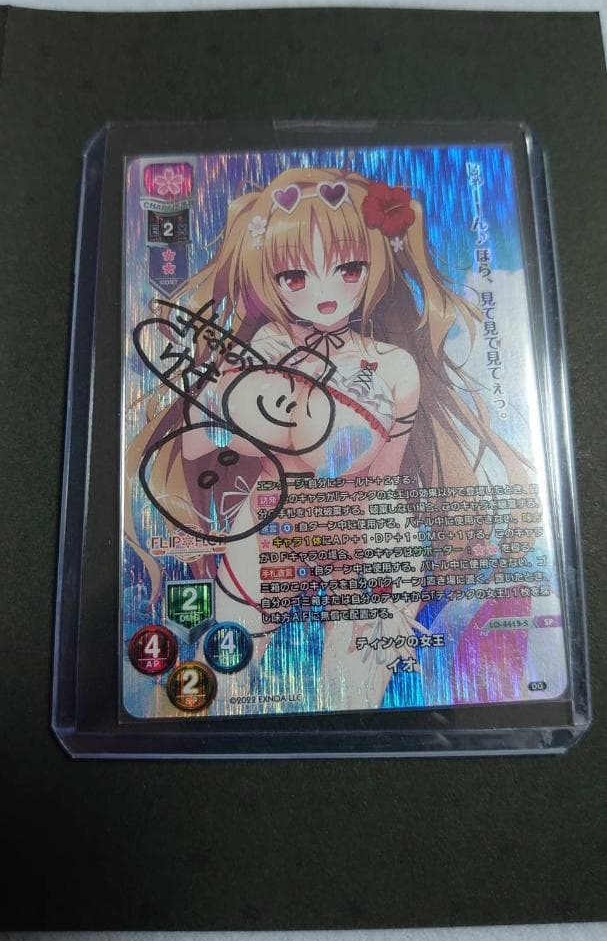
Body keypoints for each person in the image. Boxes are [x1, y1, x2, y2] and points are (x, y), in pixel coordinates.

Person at [126, 166, 527, 710]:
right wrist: (259, 405)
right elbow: (200, 443)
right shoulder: (259, 350)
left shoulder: (394, 365)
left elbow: (383, 478)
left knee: (354, 697)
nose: (325, 293)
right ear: (267, 276)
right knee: (214, 682)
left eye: (348, 268)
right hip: (272, 521)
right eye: (295, 277)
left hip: (363, 524)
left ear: (373, 265)